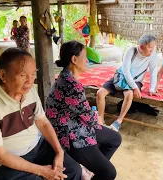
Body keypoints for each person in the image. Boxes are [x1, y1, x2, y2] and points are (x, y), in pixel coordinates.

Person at [0, 48, 82, 180]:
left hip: (35, 147)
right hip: (3, 162)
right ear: (3, 75)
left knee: (73, 170)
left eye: (33, 74)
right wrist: (41, 171)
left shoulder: (28, 91)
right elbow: (0, 155)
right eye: (22, 75)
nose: (30, 81)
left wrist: (59, 151)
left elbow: (42, 122)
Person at [46, 40, 122, 180]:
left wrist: (95, 118)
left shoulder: (65, 77)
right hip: (69, 135)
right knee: (109, 173)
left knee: (115, 138)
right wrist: (98, 117)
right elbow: (90, 118)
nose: (87, 60)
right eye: (85, 56)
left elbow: (84, 114)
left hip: (75, 125)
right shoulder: (71, 85)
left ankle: (90, 169)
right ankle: (94, 170)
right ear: (74, 59)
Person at [96, 34, 160, 132]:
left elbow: (153, 72)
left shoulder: (153, 56)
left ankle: (118, 121)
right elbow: (125, 71)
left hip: (136, 80)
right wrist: (134, 87)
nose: (152, 50)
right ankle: (101, 120)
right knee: (100, 93)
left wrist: (152, 89)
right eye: (150, 47)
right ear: (141, 47)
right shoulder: (131, 51)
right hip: (121, 77)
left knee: (129, 94)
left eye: (153, 47)